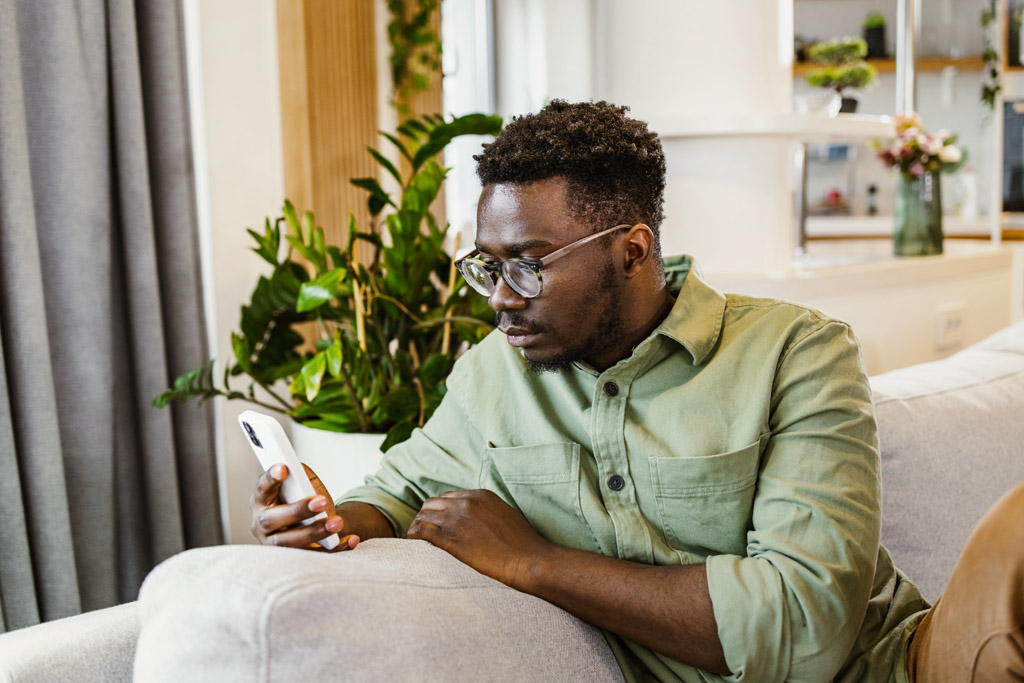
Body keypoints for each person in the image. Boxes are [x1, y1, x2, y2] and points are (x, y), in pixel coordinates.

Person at [250, 100, 1024, 682]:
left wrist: (537, 563)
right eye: (488, 264)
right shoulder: (493, 375)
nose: (500, 296)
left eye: (527, 262)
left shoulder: (797, 349)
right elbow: (394, 493)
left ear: (631, 249)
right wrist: (318, 515)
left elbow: (805, 623)